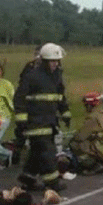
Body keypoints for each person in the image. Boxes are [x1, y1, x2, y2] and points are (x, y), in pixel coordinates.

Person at [14, 43, 71, 192]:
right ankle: (52, 183)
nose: (55, 64)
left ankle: (28, 177)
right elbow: (19, 98)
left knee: (36, 151)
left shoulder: (56, 77)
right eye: (52, 61)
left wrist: (65, 113)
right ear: (45, 61)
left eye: (57, 61)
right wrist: (21, 120)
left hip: (50, 121)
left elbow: (60, 96)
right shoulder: (31, 76)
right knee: (47, 152)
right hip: (35, 123)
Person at [68, 92, 103, 175]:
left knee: (75, 144)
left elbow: (80, 137)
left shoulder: (92, 118)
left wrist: (70, 139)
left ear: (89, 106)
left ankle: (92, 165)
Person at [12, 46, 42, 165]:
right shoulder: (30, 68)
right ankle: (17, 157)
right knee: (22, 132)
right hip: (26, 106)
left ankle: (32, 157)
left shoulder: (47, 69)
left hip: (36, 107)